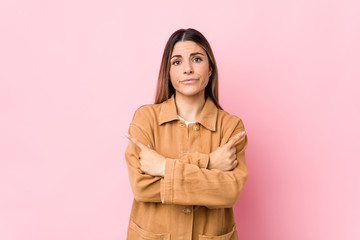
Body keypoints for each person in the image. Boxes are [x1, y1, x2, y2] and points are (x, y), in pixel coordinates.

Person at [124, 28, 248, 240]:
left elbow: (229, 191)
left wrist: (163, 167)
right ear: (168, 72)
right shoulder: (146, 118)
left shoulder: (231, 126)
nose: (188, 69)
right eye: (177, 62)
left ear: (210, 69)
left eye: (197, 59)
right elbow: (141, 187)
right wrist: (208, 163)